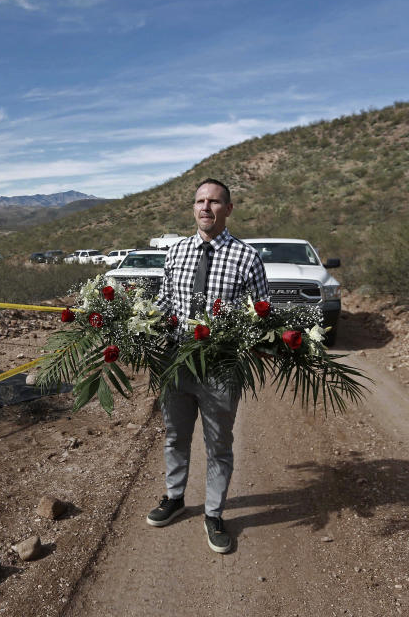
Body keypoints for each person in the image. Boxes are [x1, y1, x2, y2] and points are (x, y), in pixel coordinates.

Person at [149, 178, 269, 554]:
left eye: (214, 202)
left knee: (218, 444)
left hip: (219, 370)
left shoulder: (247, 258)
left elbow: (261, 315)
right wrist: (143, 330)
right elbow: (166, 305)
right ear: (193, 207)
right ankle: (174, 496)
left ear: (228, 209)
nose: (206, 208)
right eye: (200, 201)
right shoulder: (176, 253)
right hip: (177, 363)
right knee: (174, 436)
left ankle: (214, 513)